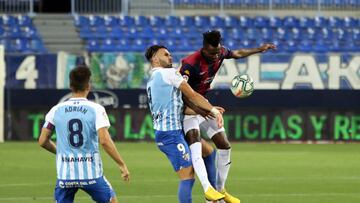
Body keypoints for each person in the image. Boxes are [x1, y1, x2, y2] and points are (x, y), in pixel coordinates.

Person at [179, 30, 276, 203]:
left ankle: (220, 190)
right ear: (203, 49)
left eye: (217, 53)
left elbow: (238, 53)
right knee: (195, 142)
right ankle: (208, 190)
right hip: (187, 108)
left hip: (205, 104)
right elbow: (183, 94)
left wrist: (259, 49)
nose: (215, 57)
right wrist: (204, 110)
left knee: (224, 145)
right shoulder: (190, 63)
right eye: (211, 54)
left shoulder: (220, 52)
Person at [145, 45, 226, 203]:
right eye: (166, 54)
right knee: (187, 178)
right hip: (171, 136)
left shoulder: (152, 80)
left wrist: (205, 111)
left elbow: (179, 109)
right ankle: (211, 195)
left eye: (170, 54)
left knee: (209, 152)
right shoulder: (168, 73)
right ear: (154, 58)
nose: (170, 57)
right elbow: (193, 95)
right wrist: (213, 111)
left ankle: (214, 196)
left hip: (172, 132)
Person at [38, 65, 130, 203]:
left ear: (71, 86)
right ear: (88, 85)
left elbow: (42, 141)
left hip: (65, 177)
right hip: (91, 176)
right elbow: (104, 140)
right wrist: (122, 164)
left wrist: (60, 152)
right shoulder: (96, 109)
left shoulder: (56, 110)